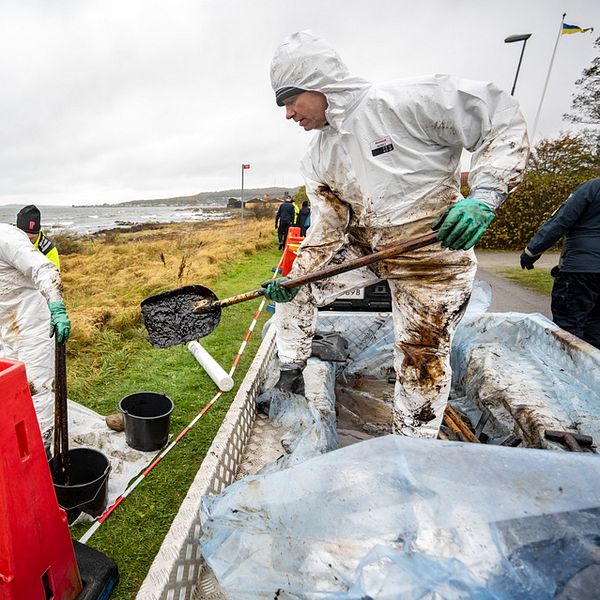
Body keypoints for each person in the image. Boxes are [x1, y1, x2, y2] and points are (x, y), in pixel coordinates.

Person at [263, 31, 529, 438]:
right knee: (297, 289)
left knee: (422, 358)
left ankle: (413, 447)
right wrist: (296, 273)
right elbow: (328, 224)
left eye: (289, 101)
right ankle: (291, 371)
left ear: (317, 84)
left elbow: (498, 117)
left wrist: (486, 195)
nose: (288, 115)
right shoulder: (318, 155)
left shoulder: (404, 103)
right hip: (368, 248)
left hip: (434, 254)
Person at [0, 222, 71, 451]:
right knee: (12, 390)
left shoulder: (6, 238)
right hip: (7, 330)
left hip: (33, 324)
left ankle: (43, 452)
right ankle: (21, 448)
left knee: (36, 389)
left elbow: (45, 269)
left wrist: (57, 308)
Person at [520, 178, 600, 349]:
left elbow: (561, 220)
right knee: (596, 330)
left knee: (568, 328)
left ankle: (567, 372)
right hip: (587, 265)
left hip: (581, 269)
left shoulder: (592, 188)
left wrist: (531, 252)